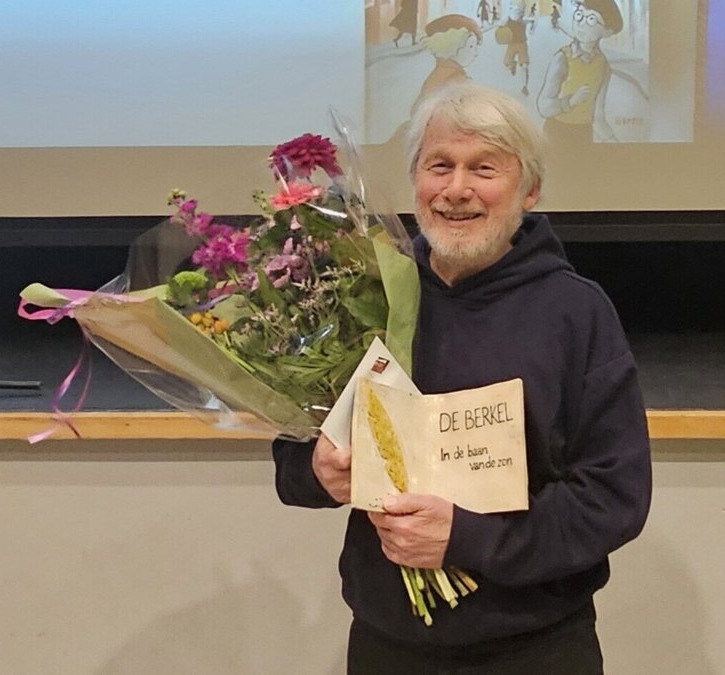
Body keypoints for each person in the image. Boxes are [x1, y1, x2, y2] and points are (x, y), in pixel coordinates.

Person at [272, 82, 652, 674]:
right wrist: (317, 470)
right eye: (439, 166)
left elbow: (614, 498)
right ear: (416, 181)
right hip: (385, 646)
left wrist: (469, 540)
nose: (456, 190)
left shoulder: (576, 313)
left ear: (529, 190)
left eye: (484, 169)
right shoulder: (363, 297)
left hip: (534, 650)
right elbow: (295, 454)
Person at [537, 0, 624, 145]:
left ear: (607, 31)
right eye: (579, 15)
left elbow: (598, 117)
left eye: (591, 19)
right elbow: (544, 106)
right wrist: (570, 102)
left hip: (584, 135)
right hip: (557, 135)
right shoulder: (563, 58)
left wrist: (614, 142)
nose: (581, 23)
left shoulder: (603, 65)